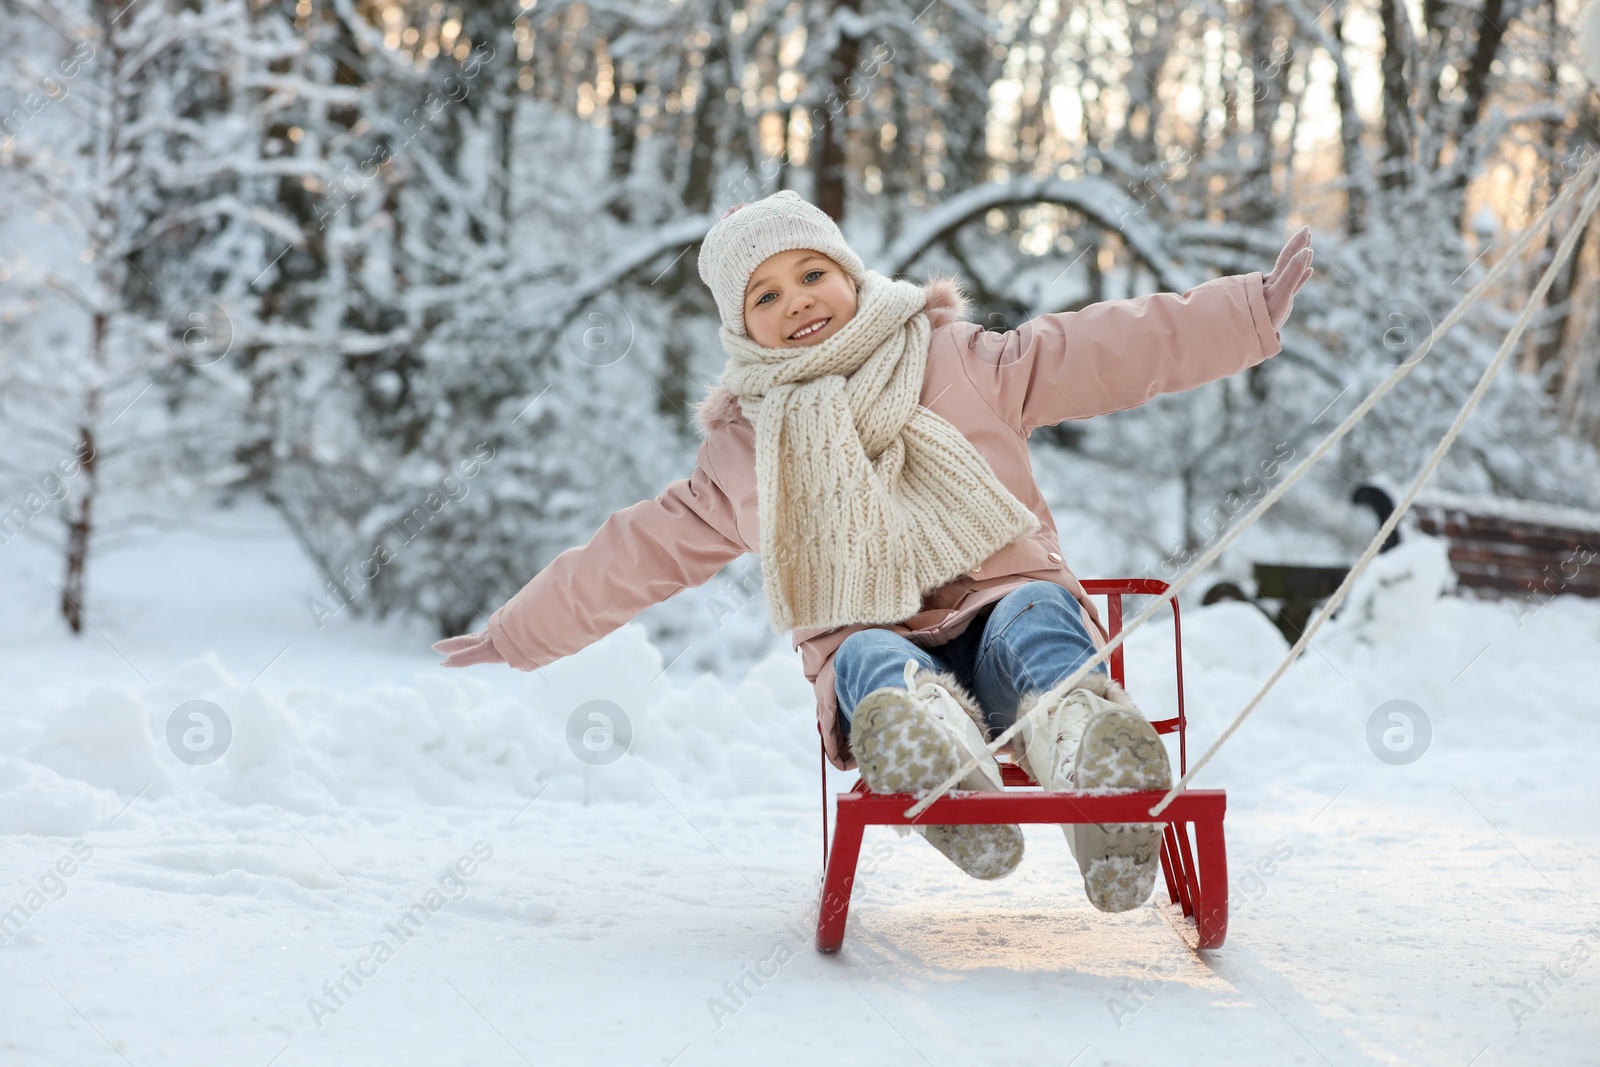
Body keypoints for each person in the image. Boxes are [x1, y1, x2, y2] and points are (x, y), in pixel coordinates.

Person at [434, 190, 1313, 912]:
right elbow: (636, 551)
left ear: (851, 275)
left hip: (1005, 609)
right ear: (741, 330)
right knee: (865, 654)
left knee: (1036, 616)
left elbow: (1098, 349)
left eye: (811, 272)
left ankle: (1088, 745)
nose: (798, 300)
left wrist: (1241, 314)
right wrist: (518, 631)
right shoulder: (746, 449)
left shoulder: (959, 359)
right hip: (875, 645)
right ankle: (935, 756)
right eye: (765, 295)